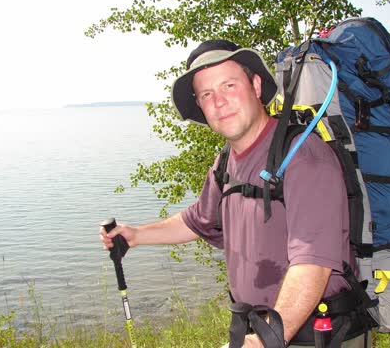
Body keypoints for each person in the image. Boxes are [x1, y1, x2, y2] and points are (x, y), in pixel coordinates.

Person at [99, 39, 371, 347]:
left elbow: (313, 266)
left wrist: (264, 340)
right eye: (206, 94)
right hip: (258, 329)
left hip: (318, 334)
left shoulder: (303, 156)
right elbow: (197, 220)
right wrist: (136, 235)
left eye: (229, 85)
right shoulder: (226, 162)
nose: (219, 101)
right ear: (200, 106)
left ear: (255, 85)